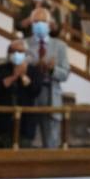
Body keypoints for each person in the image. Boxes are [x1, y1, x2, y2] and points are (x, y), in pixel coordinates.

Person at [24, 8, 70, 149]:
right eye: (36, 21)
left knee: (51, 142)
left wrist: (52, 69)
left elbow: (65, 73)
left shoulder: (60, 46)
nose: (39, 24)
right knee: (26, 141)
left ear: (49, 24)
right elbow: (17, 66)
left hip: (51, 95)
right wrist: (34, 66)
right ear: (31, 23)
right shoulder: (24, 44)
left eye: (43, 21)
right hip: (30, 95)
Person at [0, 40, 43, 148]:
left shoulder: (32, 71)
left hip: (25, 122)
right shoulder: (0, 69)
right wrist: (14, 76)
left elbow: (35, 90)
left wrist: (23, 76)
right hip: (3, 121)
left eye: (20, 52)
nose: (17, 54)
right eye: (13, 51)